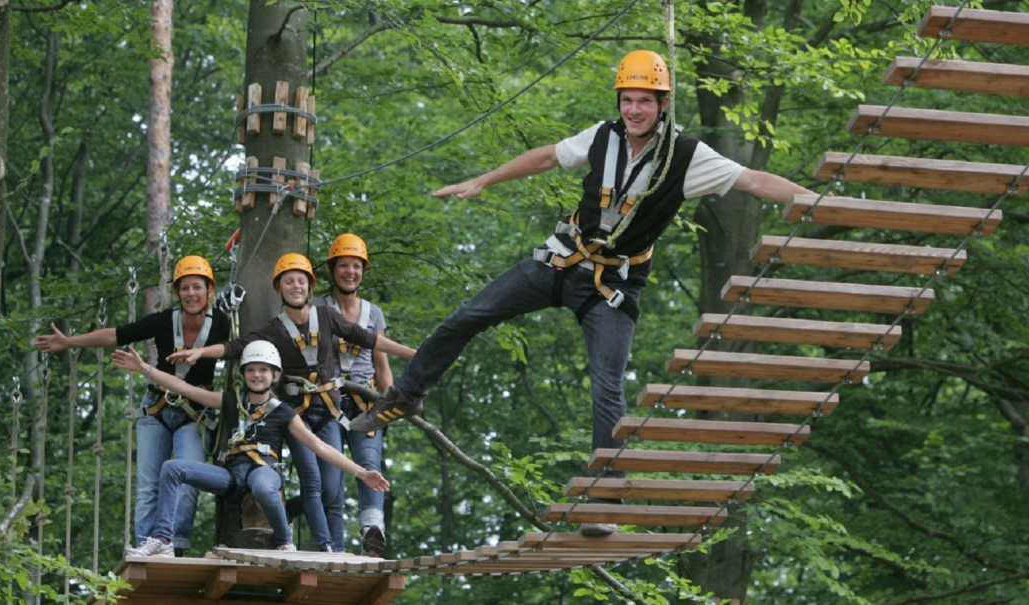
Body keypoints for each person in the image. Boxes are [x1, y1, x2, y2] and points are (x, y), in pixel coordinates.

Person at [349, 50, 814, 535]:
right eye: (628, 100)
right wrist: (483, 180)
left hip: (612, 284)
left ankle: (607, 496)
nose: (635, 110)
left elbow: (755, 180)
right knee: (469, 315)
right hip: (561, 259)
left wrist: (815, 201)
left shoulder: (688, 156)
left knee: (607, 384)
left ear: (663, 105)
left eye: (645, 102)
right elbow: (549, 155)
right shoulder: (602, 136)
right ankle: (405, 395)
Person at [168, 252, 415, 552]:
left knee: (331, 490)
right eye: (289, 282)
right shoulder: (274, 329)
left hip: (328, 413)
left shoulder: (326, 317)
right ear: (279, 288)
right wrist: (199, 353)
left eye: (301, 281)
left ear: (310, 287)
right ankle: (329, 548)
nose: (295, 287)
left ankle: (320, 538)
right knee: (313, 486)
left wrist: (413, 354)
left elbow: (368, 338)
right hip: (296, 413)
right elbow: (236, 347)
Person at [116, 340, 390, 557]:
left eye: (263, 370)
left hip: (264, 470)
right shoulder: (230, 402)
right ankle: (163, 539)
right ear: (243, 374)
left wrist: (361, 472)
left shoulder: (283, 412)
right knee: (172, 468)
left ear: (274, 375)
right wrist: (146, 370)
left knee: (261, 485)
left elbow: (319, 447)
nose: (256, 375)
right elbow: (184, 388)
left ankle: (285, 541)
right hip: (233, 476)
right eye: (251, 369)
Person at [35, 255, 230, 555]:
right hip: (158, 407)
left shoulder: (223, 325)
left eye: (197, 287)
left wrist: (203, 351)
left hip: (196, 413)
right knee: (149, 486)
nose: (191, 294)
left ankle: (174, 548)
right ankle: (144, 547)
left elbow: (238, 348)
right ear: (177, 292)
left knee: (188, 484)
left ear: (209, 291)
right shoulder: (164, 321)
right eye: (185, 288)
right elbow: (117, 334)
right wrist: (70, 342)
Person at [316, 234, 405, 557]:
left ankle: (372, 530)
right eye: (343, 266)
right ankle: (331, 544)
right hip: (328, 400)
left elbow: (381, 362)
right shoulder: (317, 308)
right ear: (333, 270)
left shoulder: (373, 313)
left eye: (356, 266)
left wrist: (391, 399)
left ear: (363, 271)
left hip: (365, 399)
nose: (350, 272)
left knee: (369, 462)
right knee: (332, 473)